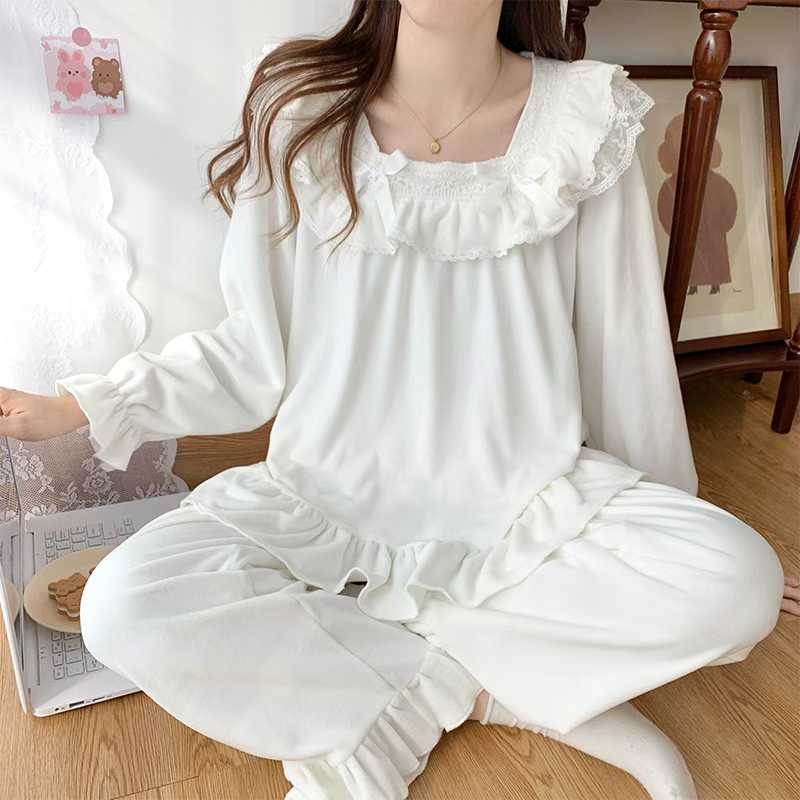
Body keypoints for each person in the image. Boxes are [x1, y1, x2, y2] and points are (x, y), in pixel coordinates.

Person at [1, 2, 796, 799]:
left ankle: (398, 680)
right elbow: (251, 351)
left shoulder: (588, 117)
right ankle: (480, 687)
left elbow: (623, 357)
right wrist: (87, 406)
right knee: (122, 607)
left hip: (525, 510)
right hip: (328, 502)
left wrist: (676, 541)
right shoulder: (301, 111)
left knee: (741, 584)